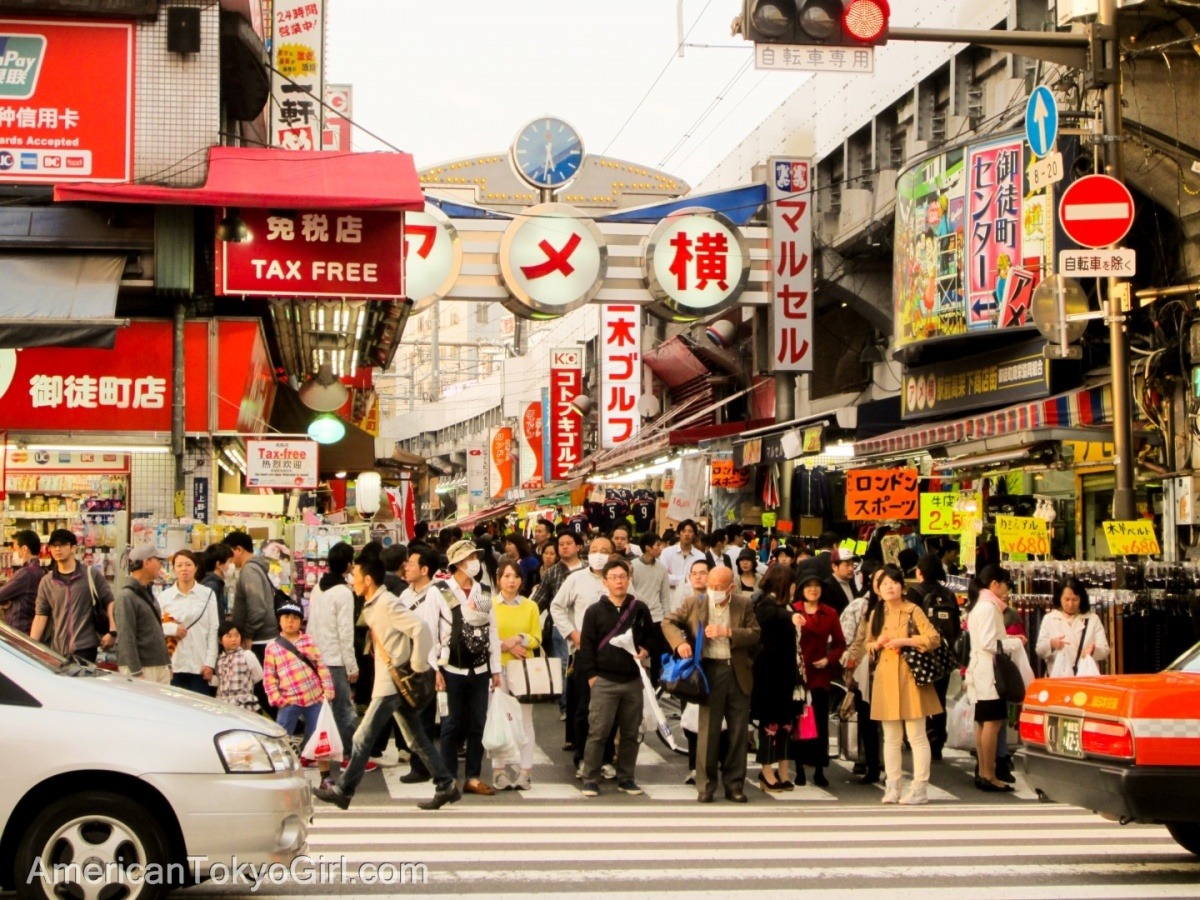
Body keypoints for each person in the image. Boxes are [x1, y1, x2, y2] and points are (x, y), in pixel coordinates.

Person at [315, 546, 461, 811]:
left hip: (393, 683)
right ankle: (446, 784)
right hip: (392, 680)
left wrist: (417, 665)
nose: (352, 579)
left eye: (356, 575)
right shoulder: (374, 603)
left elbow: (421, 629)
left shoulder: (386, 603)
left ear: (368, 579)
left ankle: (344, 790)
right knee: (416, 739)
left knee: (362, 737)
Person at [663, 565, 761, 803]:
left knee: (739, 731)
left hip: (736, 670)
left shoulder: (743, 603)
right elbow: (668, 623)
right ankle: (705, 785)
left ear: (731, 587)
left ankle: (734, 785)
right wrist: (679, 644)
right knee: (708, 731)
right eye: (711, 586)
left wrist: (728, 632)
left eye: (719, 587)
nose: (714, 591)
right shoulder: (694, 602)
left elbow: (755, 633)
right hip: (709, 671)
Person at [862, 564, 943, 805]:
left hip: (910, 677)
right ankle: (893, 786)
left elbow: (933, 638)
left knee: (917, 735)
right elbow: (868, 642)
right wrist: (876, 645)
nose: (889, 587)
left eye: (893, 583)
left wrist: (904, 641)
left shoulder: (913, 610)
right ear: (878, 589)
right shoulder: (877, 613)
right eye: (884, 583)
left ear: (902, 587)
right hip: (886, 676)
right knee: (891, 737)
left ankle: (919, 787)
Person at [576, 558, 651, 798]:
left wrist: (645, 650)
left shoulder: (639, 608)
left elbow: (652, 637)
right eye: (614, 577)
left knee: (631, 732)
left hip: (632, 679)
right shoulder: (594, 611)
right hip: (604, 680)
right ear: (605, 581)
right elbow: (586, 645)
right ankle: (590, 777)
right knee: (598, 731)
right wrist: (591, 676)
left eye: (623, 577)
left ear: (629, 579)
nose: (619, 581)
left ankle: (627, 777)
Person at [439, 540, 502, 796]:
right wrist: (434, 669)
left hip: (480, 666)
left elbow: (492, 630)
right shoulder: (441, 590)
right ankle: (449, 777)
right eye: (468, 559)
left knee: (478, 721)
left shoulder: (484, 590)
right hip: (451, 667)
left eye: (474, 557)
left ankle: (473, 776)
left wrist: (495, 668)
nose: (473, 563)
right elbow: (431, 628)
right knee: (451, 724)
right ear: (456, 564)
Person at [551, 535, 616, 776]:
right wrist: (571, 633)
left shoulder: (619, 578)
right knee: (583, 709)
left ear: (612, 554)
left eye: (605, 550)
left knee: (610, 710)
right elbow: (556, 607)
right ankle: (582, 758)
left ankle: (607, 759)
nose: (599, 554)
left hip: (614, 655)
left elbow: (634, 608)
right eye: (595, 549)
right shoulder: (576, 579)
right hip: (584, 654)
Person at [395, 545, 454, 785]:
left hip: (432, 664)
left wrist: (439, 663)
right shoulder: (404, 595)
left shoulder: (441, 592)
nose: (406, 567)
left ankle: (423, 766)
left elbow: (449, 628)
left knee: (425, 718)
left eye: (411, 563)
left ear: (425, 569)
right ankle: (422, 764)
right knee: (413, 716)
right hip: (407, 663)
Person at [965, 563, 1025, 792]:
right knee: (992, 723)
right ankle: (989, 774)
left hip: (980, 671)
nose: (1007, 589)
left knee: (983, 722)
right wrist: (1015, 642)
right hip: (990, 672)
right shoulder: (989, 607)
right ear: (995, 584)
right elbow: (990, 643)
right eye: (1006, 584)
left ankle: (983, 772)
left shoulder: (978, 605)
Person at [264, 602, 334, 786]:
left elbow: (321, 666)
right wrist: (277, 698)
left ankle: (325, 776)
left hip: (314, 696)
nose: (290, 622)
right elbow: (269, 676)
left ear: (300, 622)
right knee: (282, 737)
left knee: (320, 737)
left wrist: (327, 689)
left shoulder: (309, 642)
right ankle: (280, 773)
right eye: (286, 617)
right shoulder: (272, 647)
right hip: (290, 699)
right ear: (279, 621)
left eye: (295, 618)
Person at [791, 568, 846, 787]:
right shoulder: (793, 611)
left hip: (820, 675)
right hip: (798, 675)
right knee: (800, 723)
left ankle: (820, 769)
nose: (813, 590)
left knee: (820, 724)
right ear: (801, 590)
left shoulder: (830, 613)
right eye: (808, 586)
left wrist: (829, 659)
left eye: (816, 586)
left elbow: (841, 643)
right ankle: (799, 768)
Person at [305, 542, 361, 759]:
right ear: (348, 565)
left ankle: (313, 751)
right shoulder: (344, 593)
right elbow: (345, 632)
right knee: (344, 709)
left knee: (319, 708)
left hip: (316, 656)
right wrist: (352, 665)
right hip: (335, 660)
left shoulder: (318, 588)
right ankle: (351, 755)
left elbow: (311, 624)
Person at [905, 553, 961, 760]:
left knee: (917, 698)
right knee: (939, 699)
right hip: (943, 654)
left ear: (920, 571)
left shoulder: (915, 592)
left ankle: (918, 739)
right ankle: (937, 742)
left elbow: (907, 624)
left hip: (920, 653)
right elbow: (956, 627)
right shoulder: (948, 594)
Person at [750, 564, 801, 792]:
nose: (794, 588)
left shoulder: (784, 605)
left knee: (787, 723)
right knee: (770, 723)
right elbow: (773, 616)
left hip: (787, 672)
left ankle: (783, 767)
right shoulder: (765, 605)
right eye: (792, 584)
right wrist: (792, 616)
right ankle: (766, 770)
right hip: (769, 674)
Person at [30, 528, 115, 663]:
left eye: (62, 545)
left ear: (73, 548)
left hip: (85, 648)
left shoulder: (90, 575)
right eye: (54, 546)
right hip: (57, 650)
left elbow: (110, 601)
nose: (57, 549)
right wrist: (31, 646)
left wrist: (112, 631)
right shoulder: (47, 581)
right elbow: (40, 616)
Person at [492, 557, 541, 791]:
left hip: (524, 670)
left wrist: (520, 638)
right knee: (498, 719)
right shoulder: (490, 605)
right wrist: (508, 644)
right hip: (497, 669)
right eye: (506, 576)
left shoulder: (530, 606)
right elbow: (486, 639)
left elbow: (536, 637)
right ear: (498, 579)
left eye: (516, 576)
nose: (511, 581)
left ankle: (525, 771)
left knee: (524, 720)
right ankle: (499, 771)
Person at [532, 531, 585, 724]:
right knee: (564, 667)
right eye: (561, 544)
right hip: (559, 628)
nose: (564, 547)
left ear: (578, 546)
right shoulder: (552, 572)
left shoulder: (588, 569)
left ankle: (582, 707)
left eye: (568, 543)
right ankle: (566, 708)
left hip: (585, 628)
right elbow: (539, 601)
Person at [843, 564, 885, 784]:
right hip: (866, 670)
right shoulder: (865, 607)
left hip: (889, 670)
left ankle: (886, 765)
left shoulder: (904, 609)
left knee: (890, 723)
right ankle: (871, 765)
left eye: (888, 582)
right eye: (878, 581)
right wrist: (851, 667)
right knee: (867, 720)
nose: (883, 586)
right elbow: (859, 640)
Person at [159, 549, 219, 694]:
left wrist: (210, 663)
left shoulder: (207, 594)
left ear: (196, 567)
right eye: (179, 565)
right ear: (174, 569)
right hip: (173, 664)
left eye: (188, 564)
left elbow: (213, 630)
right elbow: (155, 627)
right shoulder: (164, 597)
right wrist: (173, 629)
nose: (184, 569)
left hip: (199, 665)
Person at [1036, 578, 1111, 675]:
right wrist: (1051, 644)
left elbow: (1105, 650)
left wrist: (1092, 651)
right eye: (1067, 599)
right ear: (1059, 598)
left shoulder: (1093, 619)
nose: (1070, 604)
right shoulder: (1049, 619)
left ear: (1081, 599)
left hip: (1085, 677)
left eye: (1075, 599)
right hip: (1058, 678)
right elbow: (1039, 650)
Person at [631, 532, 671, 685]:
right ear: (647, 548)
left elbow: (665, 595)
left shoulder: (661, 568)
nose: (661, 548)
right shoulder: (633, 566)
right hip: (637, 618)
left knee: (657, 653)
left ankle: (655, 685)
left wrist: (667, 619)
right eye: (657, 545)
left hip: (657, 617)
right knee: (636, 652)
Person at [0, 530, 42, 634]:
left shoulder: (25, 573)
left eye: (15, 548)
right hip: (28, 626)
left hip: (19, 628)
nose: (14, 553)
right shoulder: (39, 570)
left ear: (24, 549)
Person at [215, 622, 263, 712]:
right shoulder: (220, 660)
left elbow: (259, 676)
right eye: (229, 636)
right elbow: (221, 680)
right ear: (220, 640)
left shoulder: (247, 655)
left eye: (237, 635)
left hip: (243, 703)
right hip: (224, 703)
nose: (234, 639)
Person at [660, 520, 706, 613]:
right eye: (684, 531)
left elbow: (701, 579)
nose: (687, 534)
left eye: (690, 531)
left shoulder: (700, 556)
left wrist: (674, 578)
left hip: (692, 603)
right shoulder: (667, 552)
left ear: (694, 535)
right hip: (669, 601)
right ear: (679, 533)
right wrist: (685, 578)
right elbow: (664, 578)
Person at [199, 542, 233, 621]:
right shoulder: (211, 585)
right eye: (229, 562)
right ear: (219, 564)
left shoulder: (216, 582)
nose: (231, 565)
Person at [822, 549, 860, 615]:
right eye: (847, 565)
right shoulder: (827, 587)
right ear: (834, 567)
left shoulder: (851, 582)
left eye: (852, 564)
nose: (851, 569)